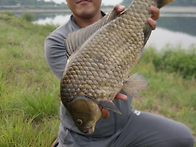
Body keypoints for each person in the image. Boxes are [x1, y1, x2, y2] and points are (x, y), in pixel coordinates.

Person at [45, 0, 195, 147]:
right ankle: (62, 142)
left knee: (184, 137)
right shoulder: (56, 40)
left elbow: (129, 61)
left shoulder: (121, 20)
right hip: (81, 138)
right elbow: (76, 84)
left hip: (126, 124)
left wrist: (137, 24)